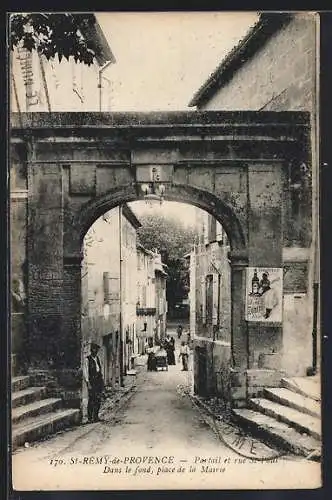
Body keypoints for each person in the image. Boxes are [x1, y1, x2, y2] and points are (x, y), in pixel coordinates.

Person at [83, 342, 105, 423]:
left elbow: (99, 370)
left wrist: (102, 383)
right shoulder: (87, 359)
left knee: (98, 399)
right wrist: (88, 383)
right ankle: (90, 418)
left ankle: (96, 416)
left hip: (98, 381)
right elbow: (86, 372)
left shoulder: (97, 358)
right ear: (91, 350)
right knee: (92, 399)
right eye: (94, 350)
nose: (96, 352)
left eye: (97, 350)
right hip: (92, 382)